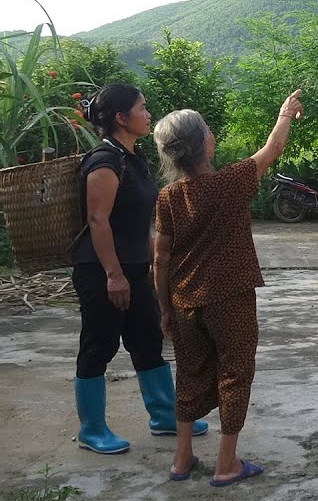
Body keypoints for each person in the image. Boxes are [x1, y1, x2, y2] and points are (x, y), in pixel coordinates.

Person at [151, 89, 303, 486]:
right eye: (207, 129)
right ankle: (226, 464)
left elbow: (161, 258)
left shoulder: (167, 197)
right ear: (204, 142)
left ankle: (181, 460)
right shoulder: (231, 182)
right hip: (230, 296)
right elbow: (273, 148)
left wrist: (164, 308)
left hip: (183, 300)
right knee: (235, 373)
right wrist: (284, 113)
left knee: (189, 373)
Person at [71, 83, 208, 455]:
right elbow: (98, 221)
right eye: (142, 108)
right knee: (99, 345)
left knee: (147, 340)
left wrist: (155, 263)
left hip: (134, 268)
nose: (148, 115)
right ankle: (91, 429)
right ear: (121, 118)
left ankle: (164, 415)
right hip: (101, 271)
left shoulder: (132, 157)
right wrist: (114, 275)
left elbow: (136, 223)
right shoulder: (104, 160)